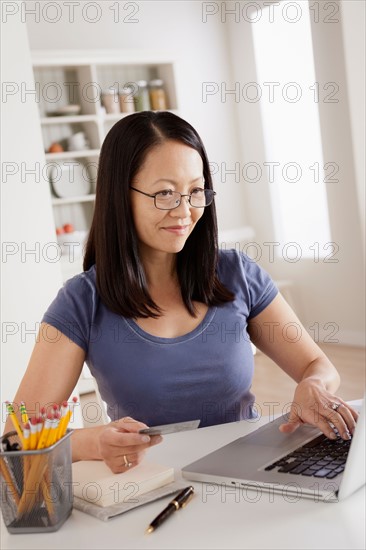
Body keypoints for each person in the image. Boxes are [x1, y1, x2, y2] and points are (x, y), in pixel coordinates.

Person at [6, 111, 358, 473]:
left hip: (253, 476)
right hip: (153, 490)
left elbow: (318, 366)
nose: (186, 211)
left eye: (195, 191)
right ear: (119, 195)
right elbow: (15, 442)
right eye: (165, 193)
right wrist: (91, 442)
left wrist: (314, 385)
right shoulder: (82, 301)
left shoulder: (237, 274)